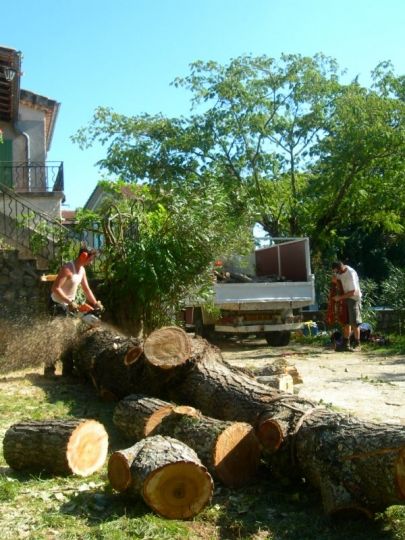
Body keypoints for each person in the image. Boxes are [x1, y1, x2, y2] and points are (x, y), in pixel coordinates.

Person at [51, 246, 102, 314]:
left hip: (69, 305)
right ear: (83, 256)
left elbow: (86, 289)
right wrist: (69, 302)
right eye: (90, 260)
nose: (91, 263)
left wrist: (95, 303)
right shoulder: (67, 269)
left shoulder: (82, 270)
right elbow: (55, 288)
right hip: (57, 305)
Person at [331, 260, 362, 351]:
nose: (337, 274)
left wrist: (339, 297)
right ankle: (345, 344)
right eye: (335, 272)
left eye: (337, 272)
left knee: (354, 323)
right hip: (345, 298)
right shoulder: (340, 271)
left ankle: (357, 344)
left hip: (354, 298)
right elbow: (335, 279)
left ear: (341, 268)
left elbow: (353, 292)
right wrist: (334, 281)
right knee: (346, 322)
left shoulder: (350, 274)